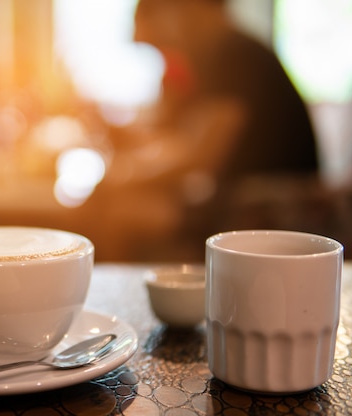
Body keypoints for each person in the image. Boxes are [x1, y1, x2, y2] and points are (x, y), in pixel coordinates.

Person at [89, 0, 319, 261]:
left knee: (119, 213)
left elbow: (202, 155)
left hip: (271, 206)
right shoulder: (224, 53)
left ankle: (128, 294)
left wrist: (127, 175)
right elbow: (188, 140)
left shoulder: (234, 54)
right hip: (250, 196)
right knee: (124, 204)